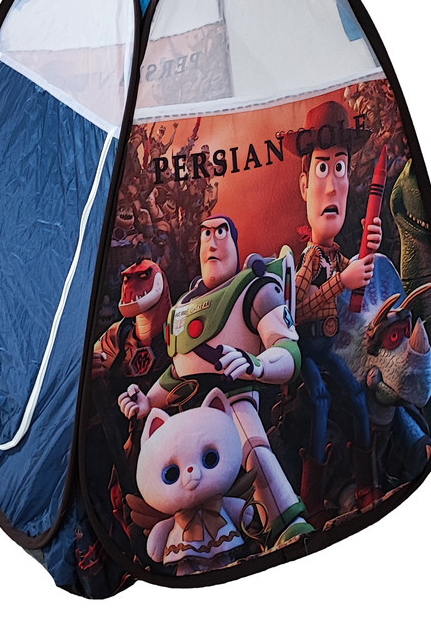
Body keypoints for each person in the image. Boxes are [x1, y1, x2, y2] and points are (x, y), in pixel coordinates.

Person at [118, 215, 314, 546]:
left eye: (221, 232)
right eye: (206, 234)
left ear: (235, 242)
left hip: (236, 400)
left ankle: (286, 524)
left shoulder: (255, 288)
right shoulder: (182, 308)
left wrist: (256, 365)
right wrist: (147, 401)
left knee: (254, 449)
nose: (212, 241)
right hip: (190, 417)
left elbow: (288, 352)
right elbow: (179, 372)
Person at [287, 100, 382, 521]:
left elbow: (357, 281)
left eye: (339, 168)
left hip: (330, 351)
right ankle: (311, 498)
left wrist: (369, 249)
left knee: (357, 393)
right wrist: (341, 281)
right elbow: (296, 310)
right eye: (322, 169)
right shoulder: (309, 260)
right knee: (321, 399)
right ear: (304, 185)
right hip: (306, 354)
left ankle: (367, 482)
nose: (331, 187)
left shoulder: (335, 256)